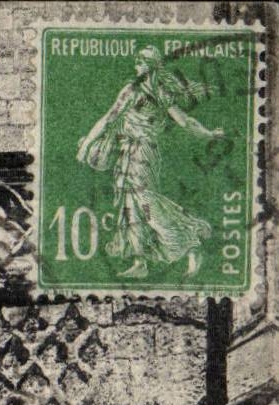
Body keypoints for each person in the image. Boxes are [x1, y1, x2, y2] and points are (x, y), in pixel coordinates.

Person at [76, 45, 225, 278]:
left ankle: (190, 242)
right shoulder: (143, 91)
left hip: (142, 153)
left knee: (146, 202)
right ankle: (140, 261)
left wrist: (209, 134)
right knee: (131, 204)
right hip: (131, 152)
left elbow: (185, 122)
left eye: (141, 60)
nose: (136, 62)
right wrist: (87, 144)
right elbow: (110, 118)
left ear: (153, 65)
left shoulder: (150, 92)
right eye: (137, 59)